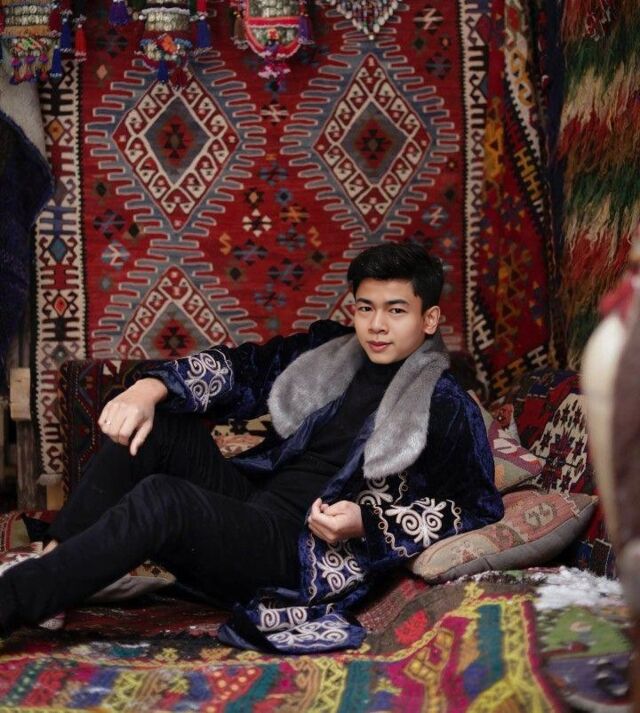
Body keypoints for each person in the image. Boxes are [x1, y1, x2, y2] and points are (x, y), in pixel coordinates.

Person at [0, 242, 504, 652]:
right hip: (253, 507)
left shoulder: (445, 403)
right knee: (157, 428)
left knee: (164, 498)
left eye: (396, 311)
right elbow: (243, 369)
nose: (376, 325)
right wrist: (148, 389)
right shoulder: (326, 350)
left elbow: (476, 506)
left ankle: (13, 599)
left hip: (301, 551)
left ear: (429, 319)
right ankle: (53, 563)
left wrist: (367, 523)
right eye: (365, 308)